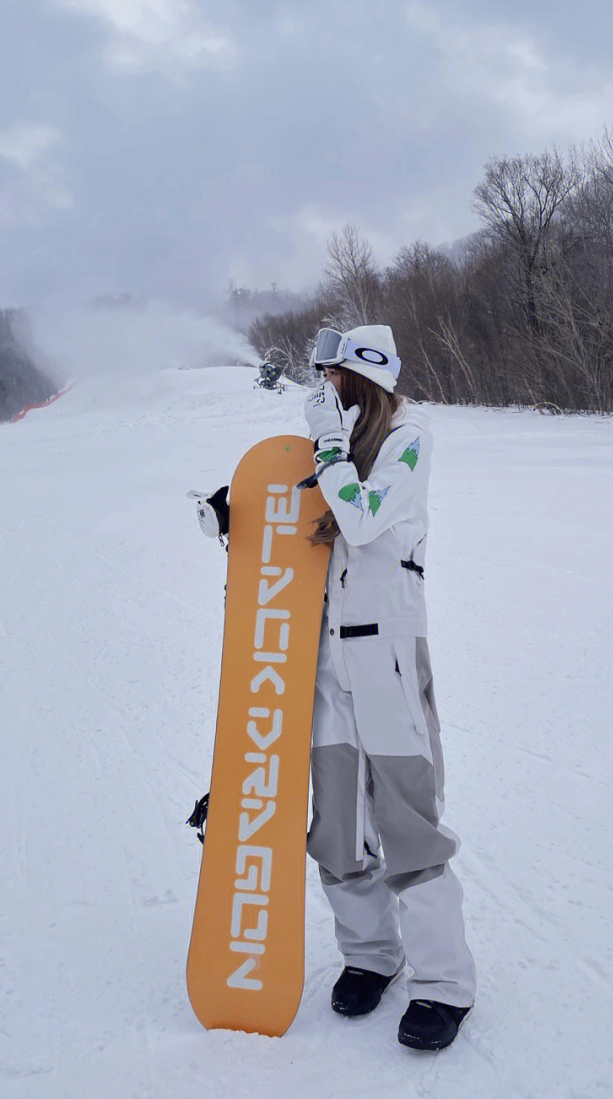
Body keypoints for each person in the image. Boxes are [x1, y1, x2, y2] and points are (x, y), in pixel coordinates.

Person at [193, 325, 475, 1050]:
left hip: (384, 653)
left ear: (362, 380)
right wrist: (240, 513)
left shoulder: (410, 440)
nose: (323, 394)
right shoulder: (337, 451)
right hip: (324, 666)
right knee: (340, 826)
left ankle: (444, 982)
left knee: (408, 821)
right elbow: (294, 524)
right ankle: (371, 954)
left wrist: (325, 447)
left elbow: (362, 514)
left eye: (333, 381)